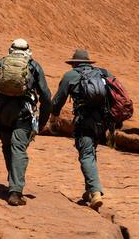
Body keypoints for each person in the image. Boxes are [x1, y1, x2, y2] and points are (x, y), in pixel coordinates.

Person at [0, 39, 51, 206]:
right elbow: (45, 96)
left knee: (7, 146)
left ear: (11, 50)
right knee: (18, 148)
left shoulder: (1, 63)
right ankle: (16, 191)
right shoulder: (33, 65)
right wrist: (43, 120)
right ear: (28, 50)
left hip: (2, 113)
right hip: (23, 113)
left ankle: (13, 181)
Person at [50, 49, 113, 211]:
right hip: (103, 122)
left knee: (86, 155)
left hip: (84, 120)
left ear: (75, 63)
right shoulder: (103, 73)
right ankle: (89, 190)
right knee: (90, 152)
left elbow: (58, 100)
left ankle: (95, 192)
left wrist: (54, 115)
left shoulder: (71, 76)